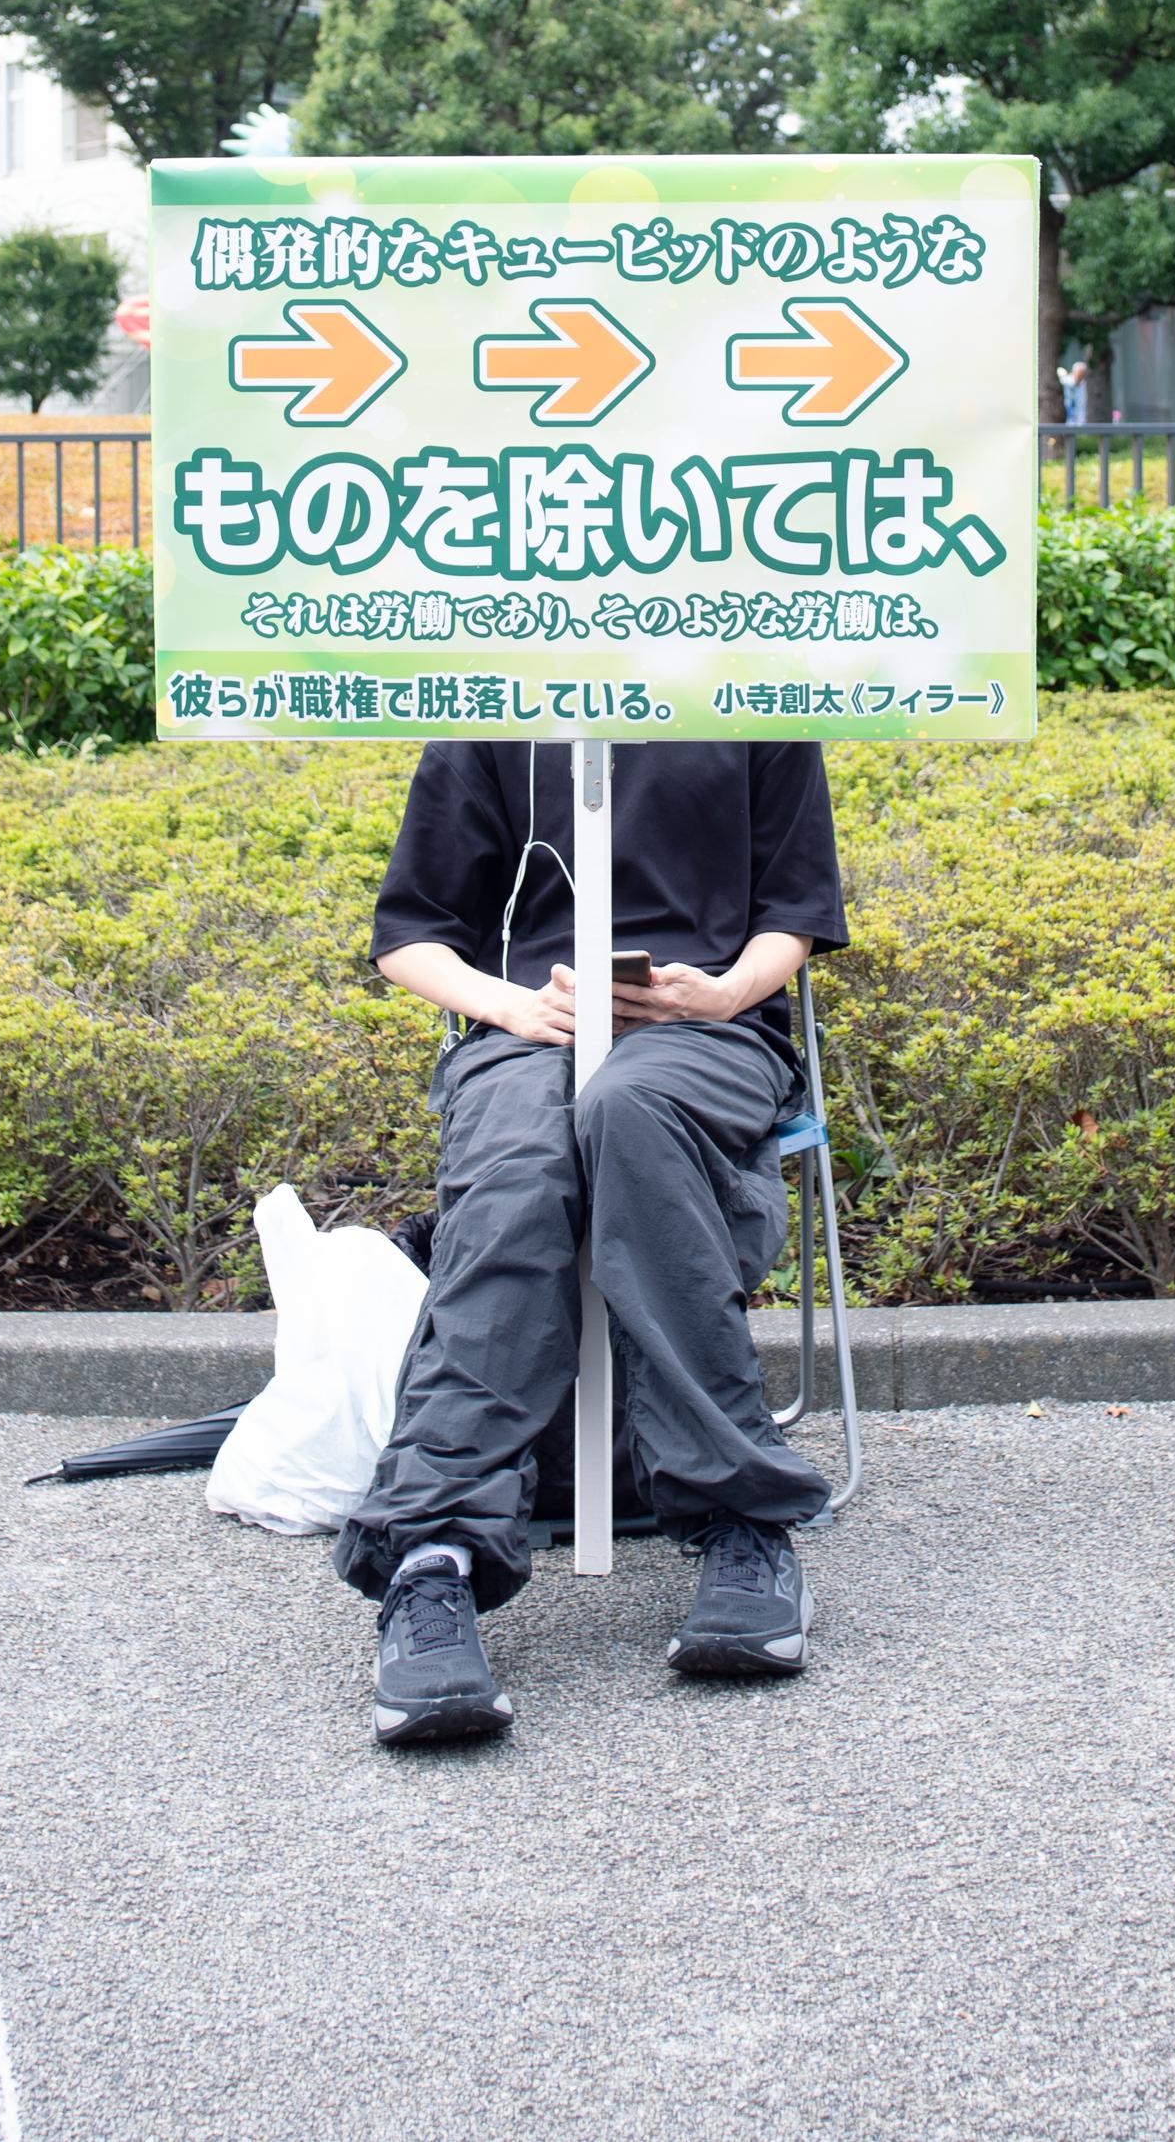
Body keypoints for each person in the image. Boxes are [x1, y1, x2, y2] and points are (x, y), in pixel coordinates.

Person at [339, 737, 850, 1746]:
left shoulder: (754, 690)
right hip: (525, 1032)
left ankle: (742, 1524)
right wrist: (511, 1004)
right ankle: (430, 1557)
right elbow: (410, 935)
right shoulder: (495, 703)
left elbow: (793, 912)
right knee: (519, 1173)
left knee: (630, 1108)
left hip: (708, 1032)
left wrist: (721, 992)